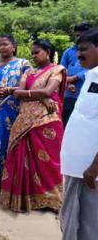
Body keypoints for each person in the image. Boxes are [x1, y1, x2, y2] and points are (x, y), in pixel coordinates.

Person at [0, 39, 65, 212]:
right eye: (32, 52)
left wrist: (37, 94)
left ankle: (51, 199)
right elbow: (19, 93)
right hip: (25, 118)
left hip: (47, 120)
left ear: (48, 52)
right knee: (21, 155)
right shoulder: (28, 72)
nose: (33, 55)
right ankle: (26, 199)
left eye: (37, 52)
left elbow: (48, 91)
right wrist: (41, 97)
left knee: (48, 161)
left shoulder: (57, 70)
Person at [0, 34, 31, 194]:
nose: (2, 47)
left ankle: (11, 182)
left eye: (5, 44)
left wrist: (10, 90)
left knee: (13, 144)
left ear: (14, 47)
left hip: (15, 110)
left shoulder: (23, 64)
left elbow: (31, 87)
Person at [60, 28, 98, 240]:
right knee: (72, 223)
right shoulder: (90, 76)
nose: (78, 55)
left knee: (89, 227)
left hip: (91, 173)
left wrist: (94, 166)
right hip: (76, 169)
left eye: (84, 49)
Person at [60, 22, 92, 126]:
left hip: (88, 94)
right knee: (67, 123)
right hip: (69, 95)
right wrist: (67, 83)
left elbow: (93, 69)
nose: (79, 38)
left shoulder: (93, 50)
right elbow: (61, 70)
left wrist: (75, 77)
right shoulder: (68, 52)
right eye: (77, 35)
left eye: (82, 35)